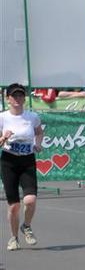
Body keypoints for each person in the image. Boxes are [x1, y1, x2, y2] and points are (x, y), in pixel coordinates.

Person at [1, 83, 43, 251]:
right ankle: (13, 238)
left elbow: (39, 132)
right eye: (14, 96)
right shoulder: (2, 117)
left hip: (27, 160)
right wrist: (3, 137)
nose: (17, 99)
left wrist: (38, 144)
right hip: (9, 162)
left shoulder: (32, 117)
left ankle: (26, 226)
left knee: (30, 200)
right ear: (8, 99)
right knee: (14, 205)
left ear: (24, 98)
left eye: (20, 96)